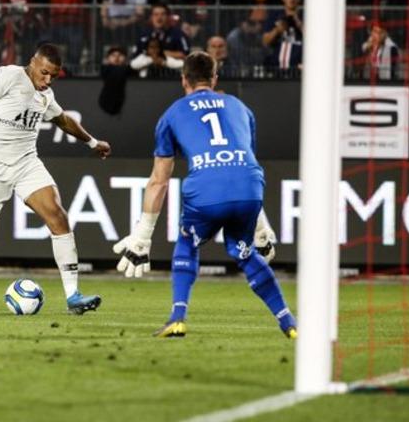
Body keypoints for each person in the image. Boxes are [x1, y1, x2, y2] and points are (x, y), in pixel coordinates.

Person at [112, 51, 294, 339]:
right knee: (244, 253)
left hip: (206, 189)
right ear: (214, 78)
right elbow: (243, 165)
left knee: (188, 241)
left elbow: (159, 181)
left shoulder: (172, 114)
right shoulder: (240, 108)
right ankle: (289, 323)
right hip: (249, 189)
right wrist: (262, 225)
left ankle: (177, 317)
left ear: (184, 80)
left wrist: (143, 235)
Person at [0, 44, 112, 315]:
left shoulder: (45, 94)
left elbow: (62, 120)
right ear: (32, 63)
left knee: (58, 217)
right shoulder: (9, 76)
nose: (47, 80)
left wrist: (93, 142)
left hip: (26, 163)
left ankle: (73, 296)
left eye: (53, 76)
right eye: (44, 73)